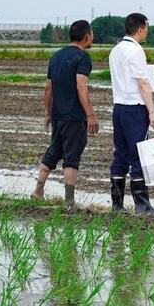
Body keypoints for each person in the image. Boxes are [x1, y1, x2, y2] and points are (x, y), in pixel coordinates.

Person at [31, 19, 99, 210]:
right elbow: (81, 86)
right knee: (71, 157)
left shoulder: (57, 56)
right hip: (74, 117)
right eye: (91, 34)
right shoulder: (82, 58)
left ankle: (38, 192)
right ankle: (69, 202)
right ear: (87, 36)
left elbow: (48, 88)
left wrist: (47, 113)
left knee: (53, 152)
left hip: (58, 115)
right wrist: (91, 115)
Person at [108, 13, 154, 214]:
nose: (147, 30)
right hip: (134, 109)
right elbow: (143, 83)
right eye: (146, 27)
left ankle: (117, 205)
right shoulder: (136, 51)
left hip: (119, 108)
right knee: (139, 154)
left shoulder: (115, 50)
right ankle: (142, 205)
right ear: (140, 30)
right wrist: (152, 112)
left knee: (120, 155)